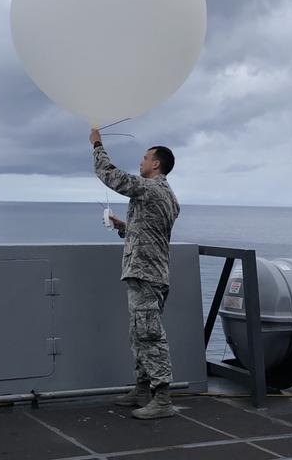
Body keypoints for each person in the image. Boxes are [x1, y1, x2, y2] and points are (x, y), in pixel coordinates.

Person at [89, 128, 180, 419]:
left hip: (146, 275)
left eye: (144, 158)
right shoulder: (167, 195)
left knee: (150, 336)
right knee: (139, 334)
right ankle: (142, 390)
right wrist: (123, 227)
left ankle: (162, 398)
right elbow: (151, 234)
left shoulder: (150, 188)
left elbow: (111, 175)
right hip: (152, 274)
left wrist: (97, 145)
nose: (140, 162)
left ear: (156, 164)